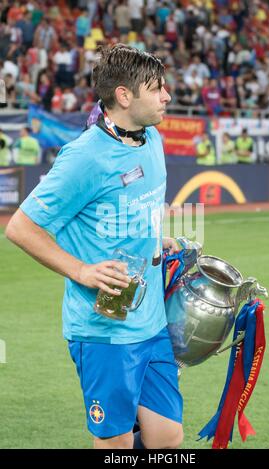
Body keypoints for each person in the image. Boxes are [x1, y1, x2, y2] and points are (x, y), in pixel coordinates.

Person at [5, 44, 184, 450]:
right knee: (116, 443)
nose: (167, 96)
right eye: (156, 88)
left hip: (152, 323)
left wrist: (157, 240)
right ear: (124, 96)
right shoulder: (83, 157)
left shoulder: (151, 138)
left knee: (167, 438)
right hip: (104, 332)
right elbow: (20, 227)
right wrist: (81, 271)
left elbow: (131, 211)